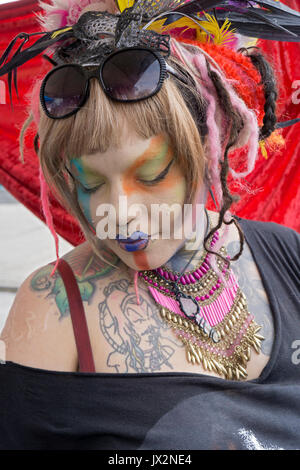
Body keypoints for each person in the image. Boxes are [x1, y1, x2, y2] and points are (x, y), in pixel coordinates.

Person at [0, 0, 299, 450]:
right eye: (90, 181)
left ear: (209, 142)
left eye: (151, 174)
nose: (119, 211)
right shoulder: (51, 309)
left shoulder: (287, 253)